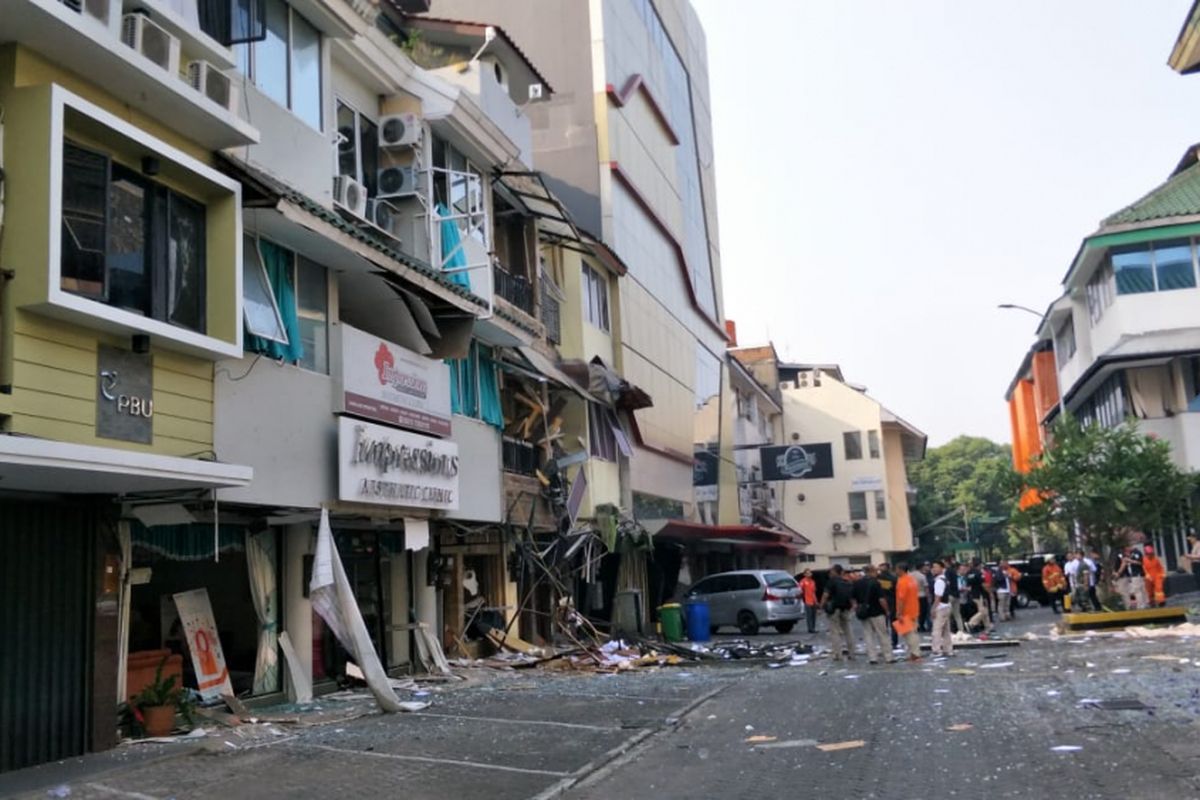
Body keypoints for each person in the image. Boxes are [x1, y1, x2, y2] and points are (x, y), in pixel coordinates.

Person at [853, 565, 894, 664]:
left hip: (864, 613)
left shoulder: (857, 583)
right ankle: (888, 657)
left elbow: (853, 598)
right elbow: (881, 599)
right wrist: (887, 610)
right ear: (872, 572)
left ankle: (872, 657)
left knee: (868, 635)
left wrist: (857, 608)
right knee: (882, 634)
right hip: (877, 612)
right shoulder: (876, 583)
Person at [820, 565, 855, 662]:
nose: (830, 572)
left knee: (834, 632)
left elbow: (825, 595)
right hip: (846, 608)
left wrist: (821, 606)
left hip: (834, 609)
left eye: (831, 570)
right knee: (848, 630)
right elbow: (851, 596)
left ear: (835, 572)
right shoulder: (847, 582)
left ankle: (837, 654)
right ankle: (852, 653)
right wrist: (852, 607)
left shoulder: (831, 581)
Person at [893, 562, 922, 662]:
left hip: (906, 612)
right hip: (914, 609)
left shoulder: (902, 582)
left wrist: (899, 613)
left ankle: (915, 654)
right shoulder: (911, 580)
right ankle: (914, 653)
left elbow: (901, 599)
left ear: (901, 570)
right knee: (913, 632)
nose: (895, 571)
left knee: (909, 634)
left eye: (896, 569)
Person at [930, 562, 953, 657]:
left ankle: (936, 650)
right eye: (933, 567)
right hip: (946, 606)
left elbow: (937, 597)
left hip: (940, 607)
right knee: (946, 630)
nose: (934, 569)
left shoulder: (939, 581)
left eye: (936, 567)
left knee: (937, 630)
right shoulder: (944, 579)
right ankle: (948, 649)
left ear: (942, 568)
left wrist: (933, 609)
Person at [1114, 544, 1148, 609]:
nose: (1126, 550)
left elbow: (1140, 562)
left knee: (1137, 590)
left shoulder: (1136, 553)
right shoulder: (1131, 553)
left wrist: (1129, 560)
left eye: (1127, 548)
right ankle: (1144, 604)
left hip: (1137, 574)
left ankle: (1141, 605)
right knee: (1140, 589)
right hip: (1134, 574)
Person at [966, 558, 993, 634]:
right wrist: (990, 593)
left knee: (985, 611)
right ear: (979, 565)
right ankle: (971, 623)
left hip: (972, 594)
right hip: (980, 594)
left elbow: (968, 585)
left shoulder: (969, 573)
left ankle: (988, 627)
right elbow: (983, 584)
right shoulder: (979, 573)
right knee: (983, 611)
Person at [877, 562, 899, 649]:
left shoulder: (878, 578)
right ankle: (894, 642)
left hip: (881, 601)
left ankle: (884, 642)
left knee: (883, 623)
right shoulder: (894, 578)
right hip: (893, 601)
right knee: (894, 623)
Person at [942, 558, 963, 634]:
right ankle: (961, 630)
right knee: (957, 614)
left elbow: (947, 582)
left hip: (950, 594)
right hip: (956, 594)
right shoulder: (954, 571)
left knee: (947, 614)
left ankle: (947, 631)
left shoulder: (948, 571)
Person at [799, 569, 819, 634]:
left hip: (813, 600)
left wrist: (816, 601)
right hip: (807, 600)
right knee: (809, 615)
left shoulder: (813, 582)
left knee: (814, 615)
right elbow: (800, 591)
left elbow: (814, 592)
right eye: (807, 573)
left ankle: (813, 628)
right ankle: (810, 628)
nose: (809, 574)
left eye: (810, 573)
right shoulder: (803, 581)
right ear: (804, 574)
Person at [917, 563, 933, 633]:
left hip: (913, 597)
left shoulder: (910, 575)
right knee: (924, 612)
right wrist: (928, 597)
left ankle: (918, 626)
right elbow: (926, 588)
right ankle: (922, 626)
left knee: (918, 612)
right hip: (922, 596)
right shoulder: (922, 576)